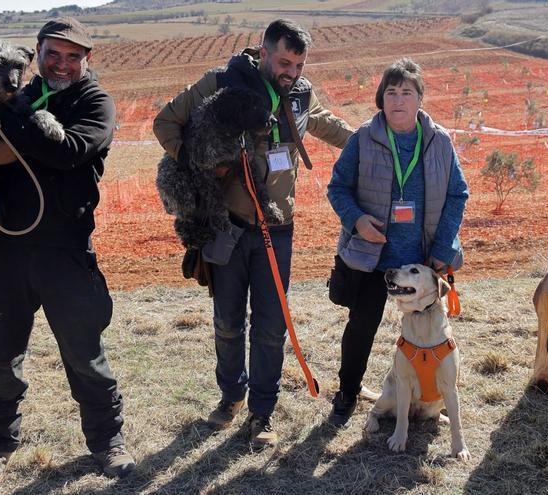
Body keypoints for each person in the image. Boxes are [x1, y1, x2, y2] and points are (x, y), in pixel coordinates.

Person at [0, 17, 134, 484]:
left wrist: (4, 125)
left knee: (85, 355)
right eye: (54, 53)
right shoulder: (15, 92)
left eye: (74, 56)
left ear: (86, 60)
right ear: (37, 51)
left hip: (66, 248)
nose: (63, 63)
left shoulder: (95, 102)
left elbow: (69, 151)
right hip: (8, 247)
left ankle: (108, 442)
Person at [153, 19, 354, 447]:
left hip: (277, 229)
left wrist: (375, 141)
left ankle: (262, 414)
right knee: (228, 322)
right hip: (224, 226)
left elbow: (326, 123)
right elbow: (165, 124)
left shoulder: (301, 93)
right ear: (262, 52)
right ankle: (230, 398)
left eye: (299, 64)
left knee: (270, 327)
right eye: (284, 62)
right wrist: (201, 161)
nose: (292, 72)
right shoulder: (220, 83)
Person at [325, 59, 469, 427]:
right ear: (381, 99)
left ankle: (430, 395)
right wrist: (356, 220)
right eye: (391, 92)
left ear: (421, 99)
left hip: (422, 262)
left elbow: (458, 193)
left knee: (431, 334)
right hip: (376, 260)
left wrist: (442, 248)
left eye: (407, 92)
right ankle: (348, 392)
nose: (398, 100)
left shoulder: (439, 141)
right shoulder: (362, 139)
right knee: (362, 327)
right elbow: (337, 187)